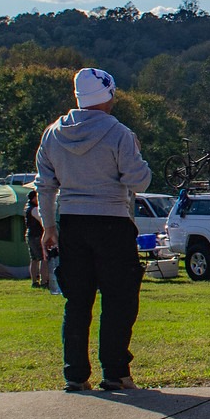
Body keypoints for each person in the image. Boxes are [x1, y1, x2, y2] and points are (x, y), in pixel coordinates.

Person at [35, 68, 152, 393]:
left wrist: (49, 226)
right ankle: (115, 372)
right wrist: (137, 154)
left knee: (77, 302)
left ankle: (75, 373)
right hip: (112, 221)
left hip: (72, 222)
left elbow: (45, 185)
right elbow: (138, 181)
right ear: (109, 96)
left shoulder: (53, 134)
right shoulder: (119, 133)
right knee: (119, 300)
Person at [24, 190, 46, 288]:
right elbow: (42, 221)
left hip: (30, 235)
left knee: (34, 259)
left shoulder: (27, 208)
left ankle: (34, 281)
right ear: (34, 198)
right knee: (43, 258)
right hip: (36, 235)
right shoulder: (34, 209)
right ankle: (44, 281)